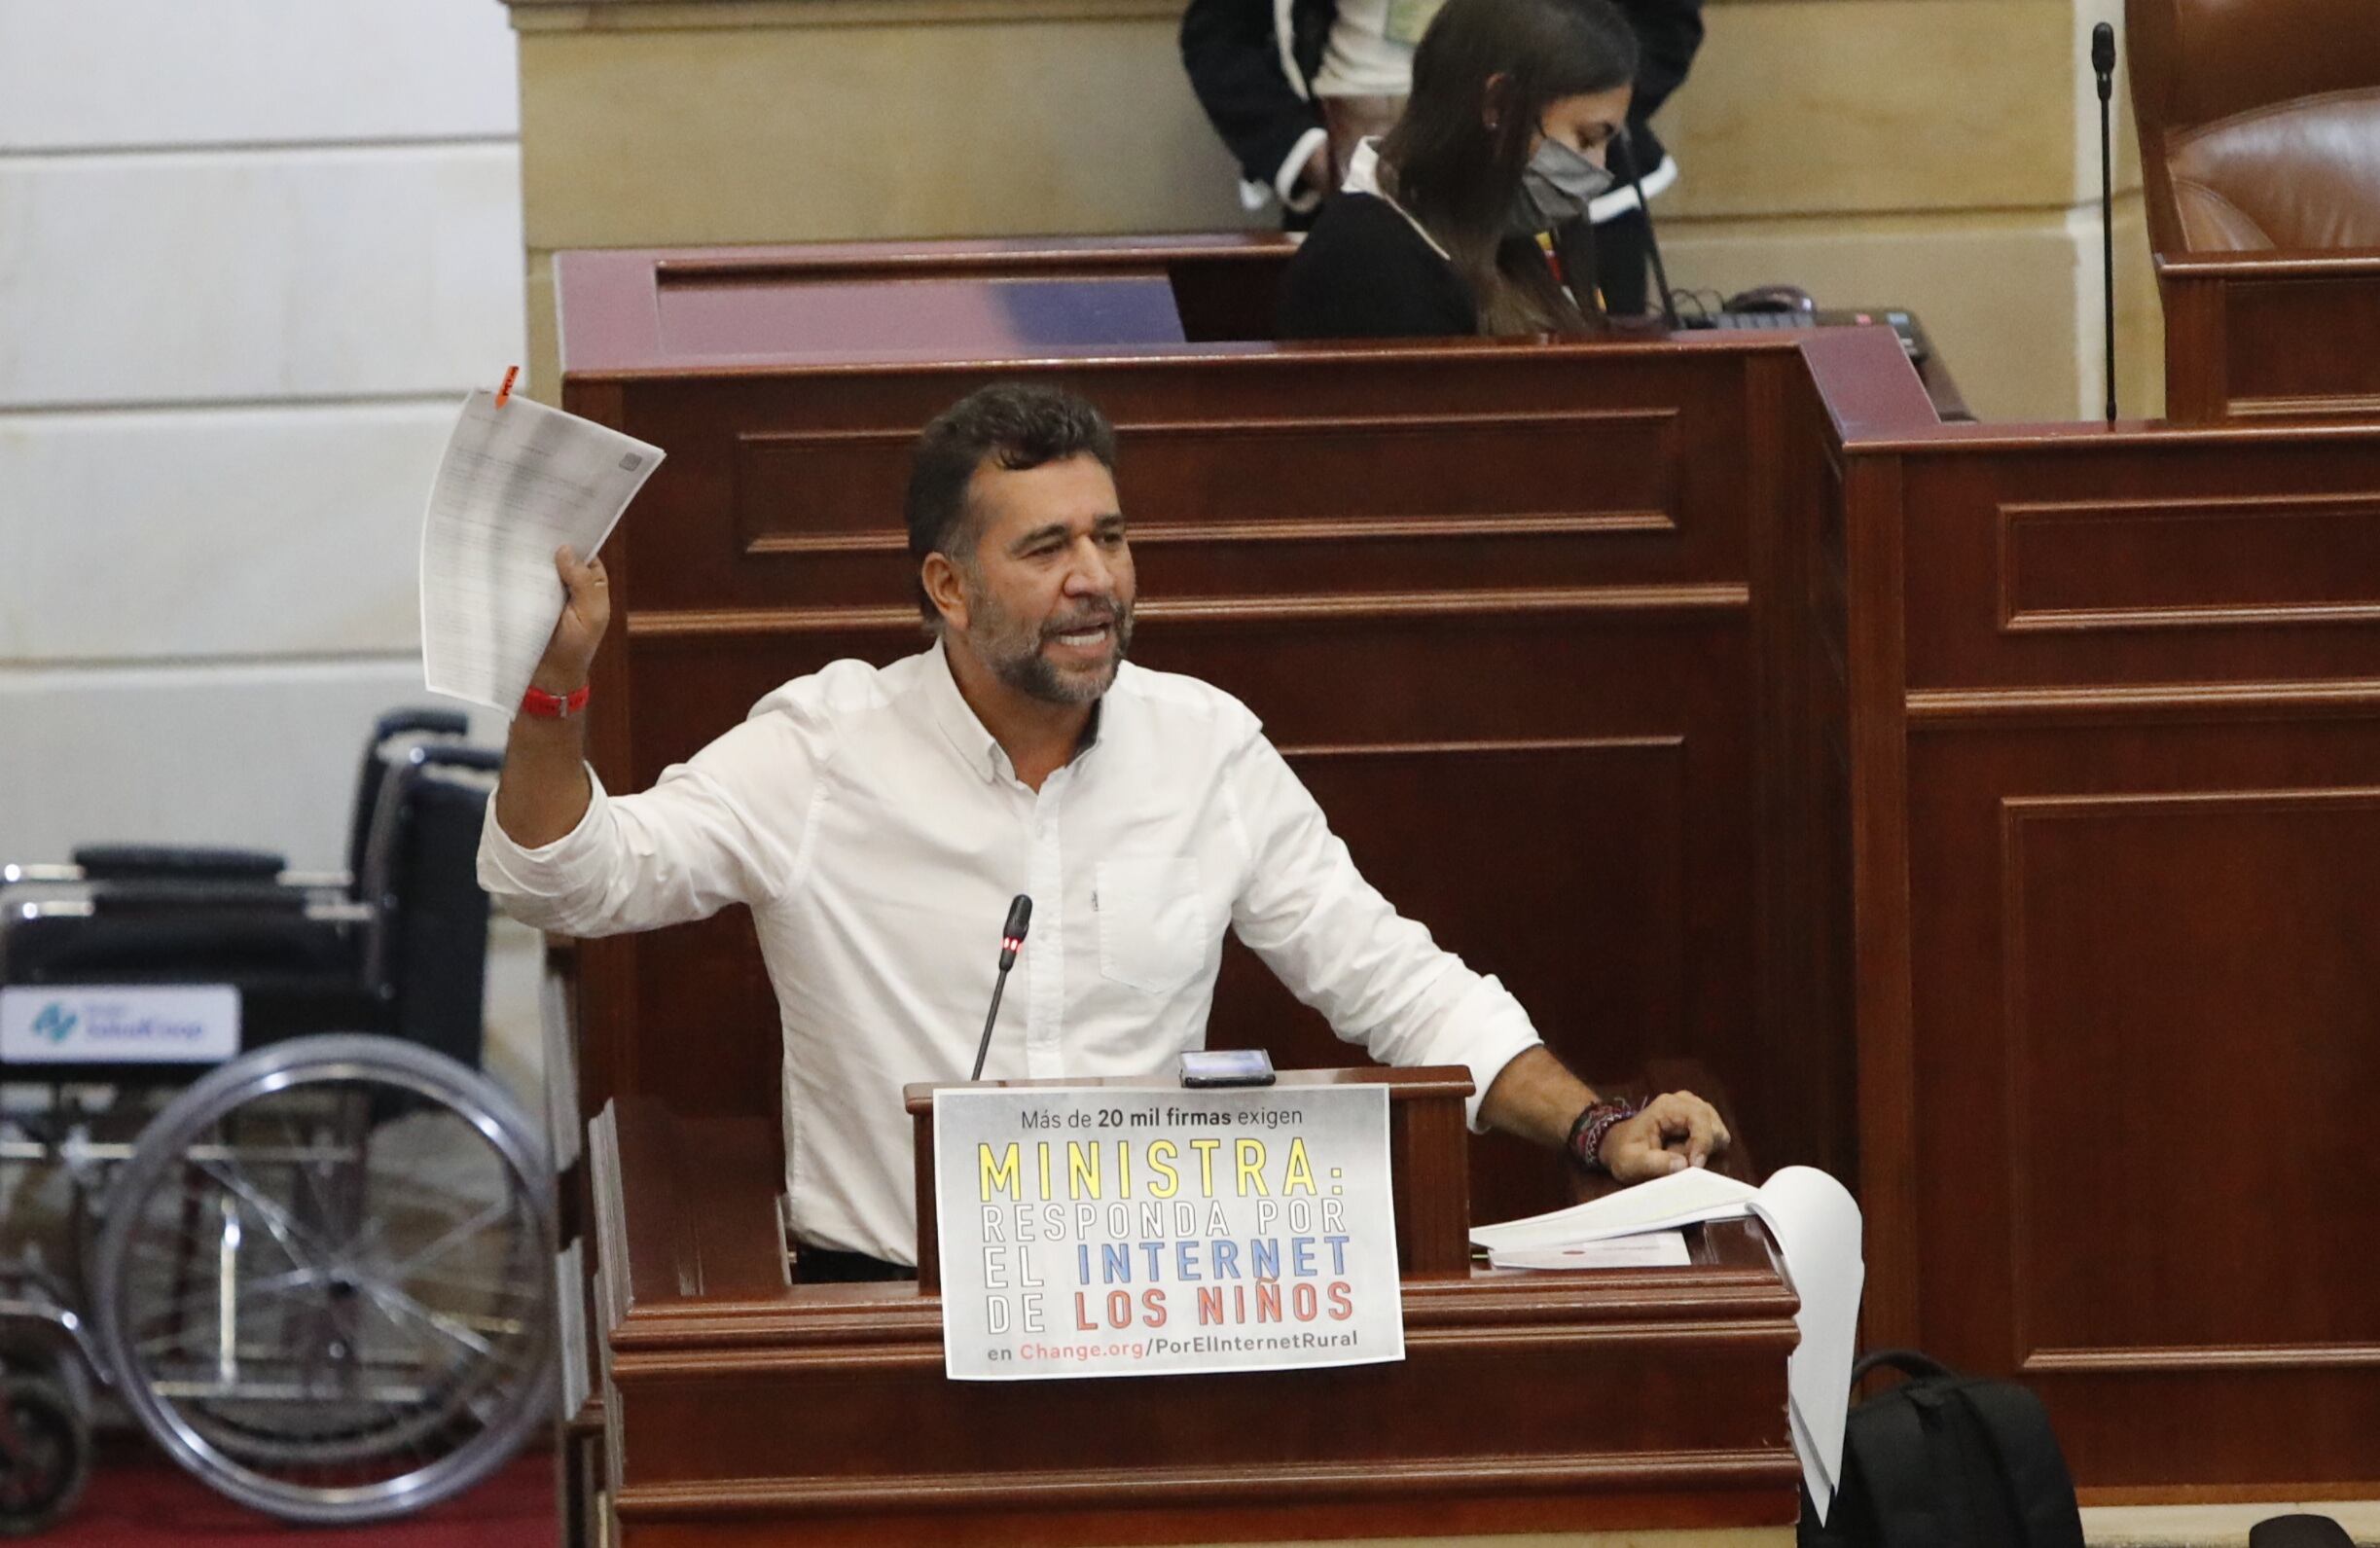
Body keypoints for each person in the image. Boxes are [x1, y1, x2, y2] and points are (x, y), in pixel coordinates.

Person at [479, 382, 1728, 1280]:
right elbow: (571, 878)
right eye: (1047, 547)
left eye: (1111, 537)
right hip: (889, 1313)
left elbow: (1397, 983)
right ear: (948, 588)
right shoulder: (821, 750)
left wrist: (1594, 1127)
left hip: (1145, 1310)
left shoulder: (1205, 749)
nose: (1098, 578)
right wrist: (554, 693)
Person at [1180, 0, 1699, 314]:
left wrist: (1580, 124)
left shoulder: (1567, 178)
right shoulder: (1366, 258)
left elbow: (1666, 24)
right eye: (1592, 142)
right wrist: (1311, 157)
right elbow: (1222, 37)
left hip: (1560, 181)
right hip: (1352, 153)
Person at [1276, 0, 1647, 340]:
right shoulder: (1370, 268)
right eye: (1586, 138)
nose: (1598, 169)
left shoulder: (1494, 234)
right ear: (1498, 106)